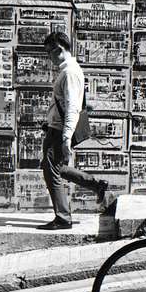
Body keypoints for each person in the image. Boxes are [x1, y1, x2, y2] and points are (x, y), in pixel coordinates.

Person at [38, 32, 108, 230]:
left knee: (52, 171)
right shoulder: (68, 70)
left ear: (59, 50)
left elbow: (72, 108)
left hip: (59, 131)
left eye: (49, 52)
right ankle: (96, 184)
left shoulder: (69, 73)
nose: (49, 57)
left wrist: (66, 137)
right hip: (55, 128)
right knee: (53, 167)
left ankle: (63, 218)